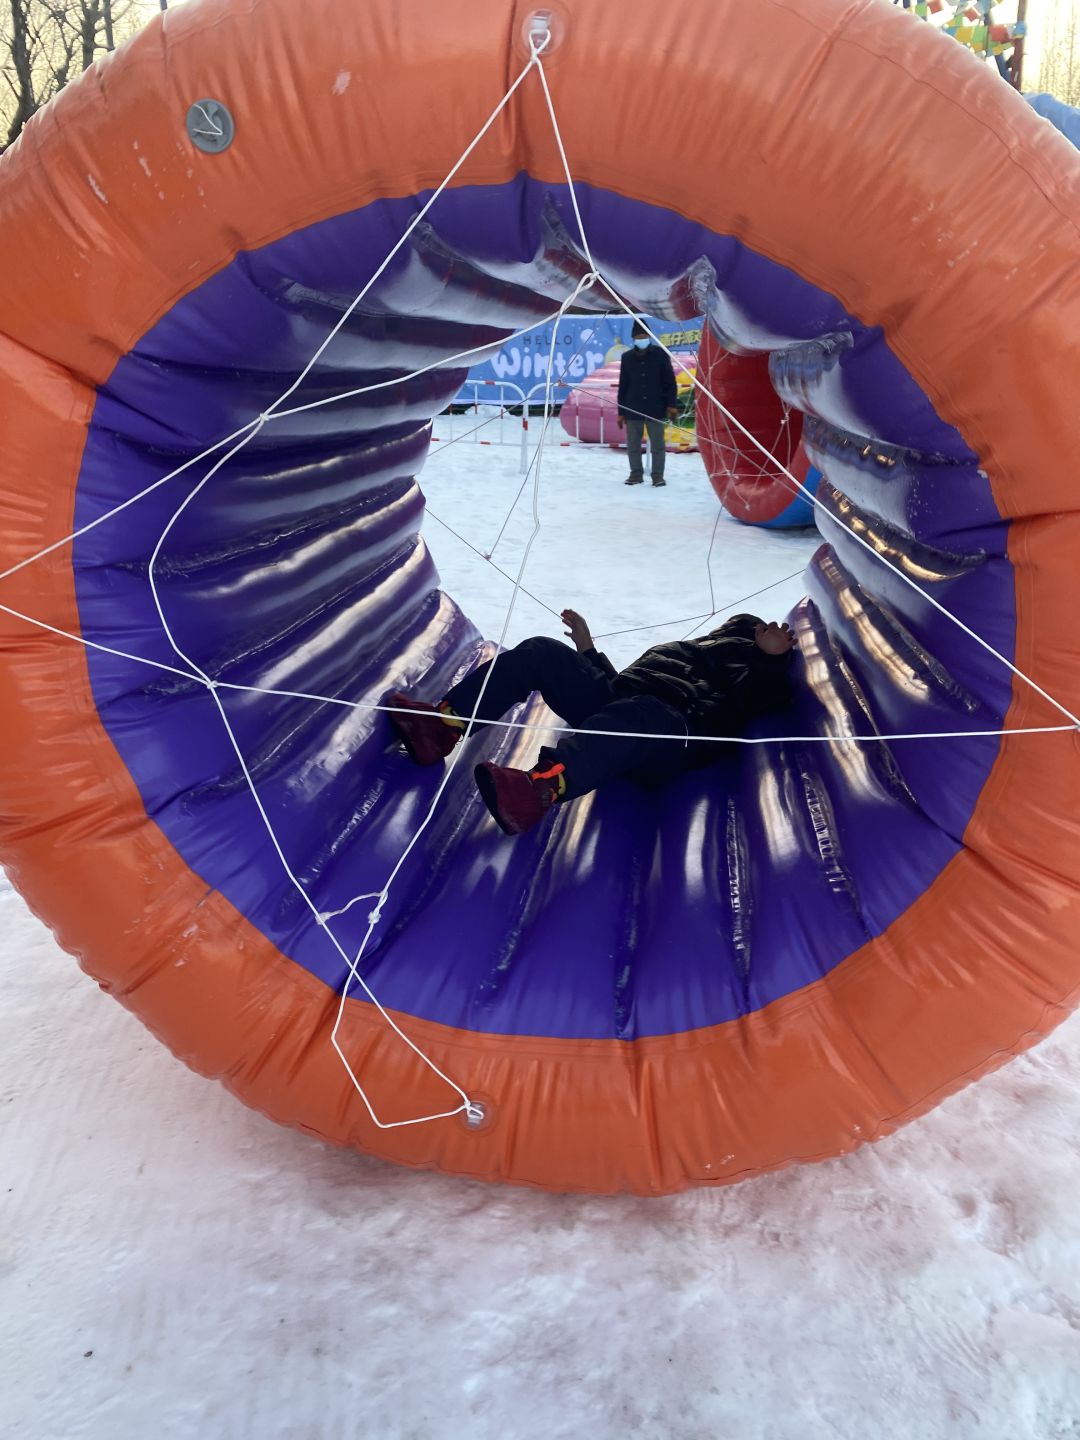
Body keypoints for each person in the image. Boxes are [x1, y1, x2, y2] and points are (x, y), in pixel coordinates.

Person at [386, 609, 797, 837]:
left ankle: (539, 790)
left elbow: (759, 703)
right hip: (626, 705)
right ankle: (443, 727)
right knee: (542, 652)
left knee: (640, 713)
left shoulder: (756, 673)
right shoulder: (685, 652)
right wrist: (587, 649)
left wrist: (770, 658)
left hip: (671, 735)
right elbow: (625, 684)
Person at [617, 321, 679, 487]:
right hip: (632, 408)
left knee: (658, 445)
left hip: (656, 407)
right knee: (633, 445)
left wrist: (671, 405)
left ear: (649, 336)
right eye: (638, 337)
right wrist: (621, 412)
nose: (641, 339)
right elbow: (623, 385)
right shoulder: (627, 358)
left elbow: (670, 382)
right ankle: (635, 474)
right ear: (633, 338)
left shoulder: (660, 355)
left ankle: (657, 475)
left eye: (644, 336)